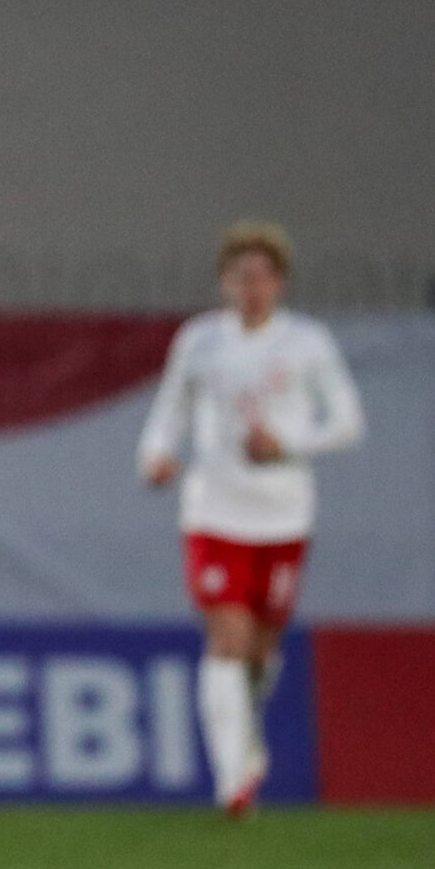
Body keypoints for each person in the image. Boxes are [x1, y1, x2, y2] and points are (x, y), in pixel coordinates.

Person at [136, 221, 364, 816]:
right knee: (226, 637)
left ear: (280, 284)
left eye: (261, 276)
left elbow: (347, 422)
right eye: (241, 276)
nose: (251, 286)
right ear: (224, 283)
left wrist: (287, 443)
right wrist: (156, 455)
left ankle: (248, 740)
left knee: (262, 650)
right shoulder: (199, 341)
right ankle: (231, 779)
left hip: (283, 514)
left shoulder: (307, 343)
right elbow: (170, 409)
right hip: (213, 509)